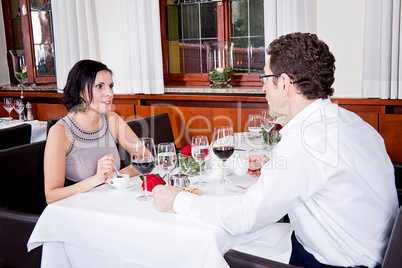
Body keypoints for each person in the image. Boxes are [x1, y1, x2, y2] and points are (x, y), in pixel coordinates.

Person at [153, 33, 399, 268]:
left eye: (264, 79)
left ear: (283, 83)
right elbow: (323, 173)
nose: (263, 88)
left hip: (338, 260)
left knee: (214, 248)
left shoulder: (305, 141)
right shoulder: (351, 122)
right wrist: (273, 165)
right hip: (375, 250)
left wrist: (179, 200)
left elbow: (243, 217)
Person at [44, 59, 139, 204]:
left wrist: (117, 175)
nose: (109, 93)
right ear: (80, 91)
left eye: (111, 86)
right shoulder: (60, 131)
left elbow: (146, 159)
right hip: (79, 208)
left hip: (111, 202)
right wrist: (96, 179)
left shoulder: (112, 119)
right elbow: (51, 196)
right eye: (100, 86)